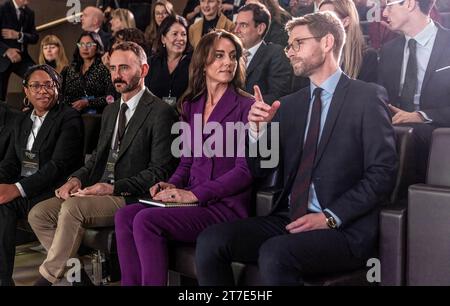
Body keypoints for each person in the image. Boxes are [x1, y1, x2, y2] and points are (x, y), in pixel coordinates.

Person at [195, 12, 398, 285]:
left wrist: (329, 217)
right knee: (211, 240)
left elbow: (382, 173)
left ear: (327, 42)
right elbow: (261, 168)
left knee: (275, 253)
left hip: (342, 228)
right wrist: (257, 132)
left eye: (298, 44)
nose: (289, 52)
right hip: (290, 218)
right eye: (289, 45)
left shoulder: (367, 97)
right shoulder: (290, 105)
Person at [28, 41, 178, 286]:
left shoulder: (161, 112)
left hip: (131, 195)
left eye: (124, 68)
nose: (116, 75)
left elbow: (160, 172)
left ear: (144, 70)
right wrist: (75, 180)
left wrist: (112, 187)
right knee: (39, 214)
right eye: (112, 68)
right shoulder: (110, 111)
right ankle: (80, 281)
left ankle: (44, 280)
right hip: (99, 190)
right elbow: (97, 158)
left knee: (72, 209)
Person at [114, 30, 254, 286]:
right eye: (219, 56)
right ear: (202, 62)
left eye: (233, 56)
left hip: (225, 207)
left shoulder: (248, 106)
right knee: (124, 216)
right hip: (192, 200)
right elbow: (187, 162)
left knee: (145, 220)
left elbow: (245, 172)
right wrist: (173, 184)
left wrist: (194, 195)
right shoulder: (191, 105)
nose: (228, 62)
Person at [0, 64, 84, 286]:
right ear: (26, 91)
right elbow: (10, 162)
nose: (42, 91)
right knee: (1, 205)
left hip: (54, 190)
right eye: (35, 86)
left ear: (57, 88)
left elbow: (58, 166)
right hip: (28, 188)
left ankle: (79, 280)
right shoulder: (22, 120)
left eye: (48, 85)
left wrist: (16, 189)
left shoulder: (69, 117)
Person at [378, 0, 450, 182]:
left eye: (389, 6)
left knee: (408, 136)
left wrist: (421, 115)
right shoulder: (389, 50)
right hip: (393, 127)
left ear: (409, 4)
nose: (384, 14)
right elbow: (381, 97)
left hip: (436, 130)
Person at [234, 3, 292, 104]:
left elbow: (277, 95)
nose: (236, 30)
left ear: (260, 28)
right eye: (236, 24)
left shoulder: (275, 54)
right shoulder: (231, 54)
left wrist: (240, 105)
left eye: (243, 25)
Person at [319, 0, 378, 82]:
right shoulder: (314, 54)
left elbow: (366, 93)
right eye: (317, 18)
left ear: (345, 21)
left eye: (326, 18)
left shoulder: (367, 57)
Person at [61, 31, 117, 114]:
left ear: (97, 46)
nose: (85, 48)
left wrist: (88, 103)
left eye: (89, 44)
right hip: (73, 115)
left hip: (100, 115)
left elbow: (111, 98)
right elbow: (65, 96)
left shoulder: (104, 67)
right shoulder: (71, 69)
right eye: (82, 44)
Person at [145, 16, 192, 108]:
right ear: (163, 39)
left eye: (183, 34)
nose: (180, 38)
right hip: (155, 117)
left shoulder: (193, 63)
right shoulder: (151, 63)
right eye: (175, 34)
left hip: (183, 118)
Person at [0, 0, 38, 102]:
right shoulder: (2, 8)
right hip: (2, 59)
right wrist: (7, 50)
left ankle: (29, 109)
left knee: (37, 77)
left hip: (22, 58)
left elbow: (35, 37)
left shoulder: (30, 13)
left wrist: (19, 35)